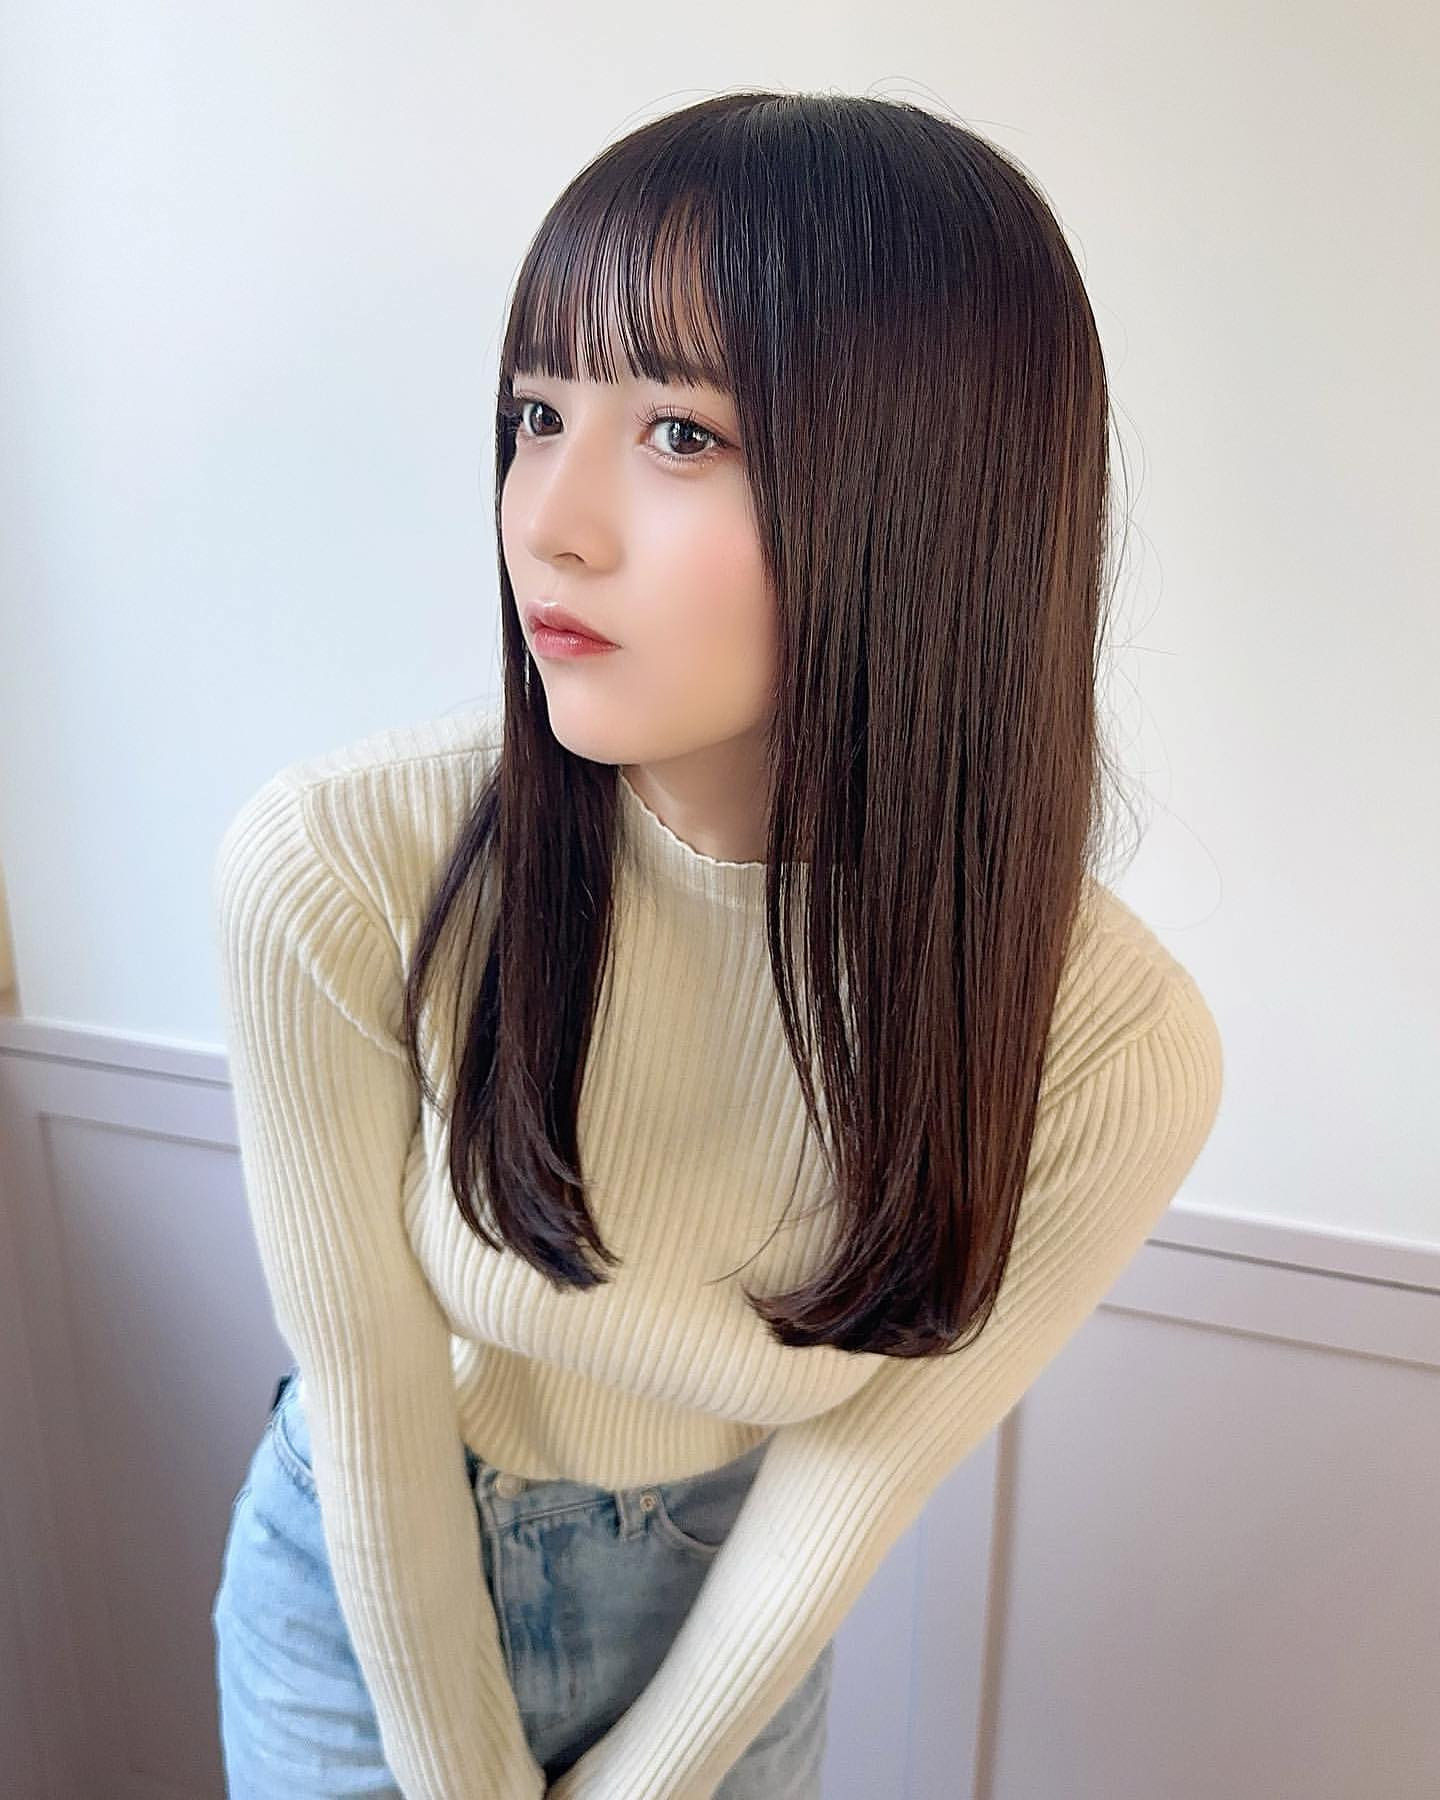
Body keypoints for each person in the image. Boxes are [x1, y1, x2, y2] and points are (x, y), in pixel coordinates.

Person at [210, 89, 1224, 1800]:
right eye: (536, 414)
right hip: (363, 1588)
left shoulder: (1110, 1045)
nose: (550, 519)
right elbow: (370, 1403)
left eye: (680, 432)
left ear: (932, 499)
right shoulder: (341, 867)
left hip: (727, 1626)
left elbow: (858, 1476)